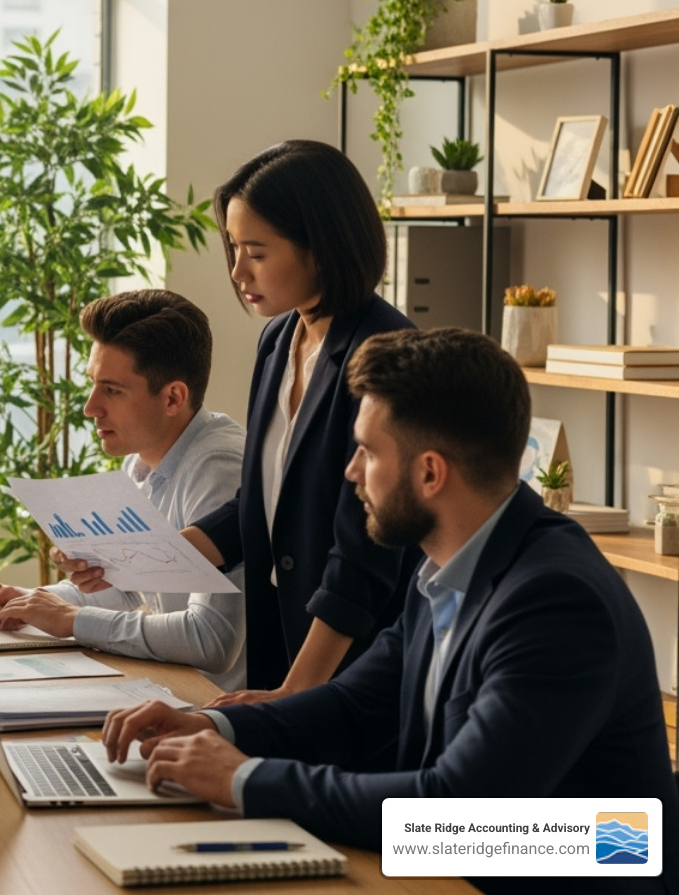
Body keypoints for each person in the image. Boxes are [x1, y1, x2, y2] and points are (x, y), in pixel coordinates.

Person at [101, 327, 678, 895]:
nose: (350, 471)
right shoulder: (447, 561)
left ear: (430, 472)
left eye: (368, 451)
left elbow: (456, 816)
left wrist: (244, 779)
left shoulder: (554, 602)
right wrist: (212, 726)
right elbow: (356, 706)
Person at [174, 139, 419, 702]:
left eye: (256, 253)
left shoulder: (389, 351)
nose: (237, 271)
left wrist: (298, 691)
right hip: (281, 643)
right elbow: (260, 506)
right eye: (233, 248)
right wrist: (138, 561)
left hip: (352, 666)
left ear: (322, 247)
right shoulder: (278, 340)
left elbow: (367, 551)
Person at [0, 290, 249, 689]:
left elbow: (210, 639)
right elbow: (129, 593)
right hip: (169, 692)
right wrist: (31, 601)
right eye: (93, 384)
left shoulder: (217, 468)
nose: (90, 407)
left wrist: (72, 620)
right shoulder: (141, 460)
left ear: (173, 398)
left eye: (112, 390)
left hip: (210, 707)